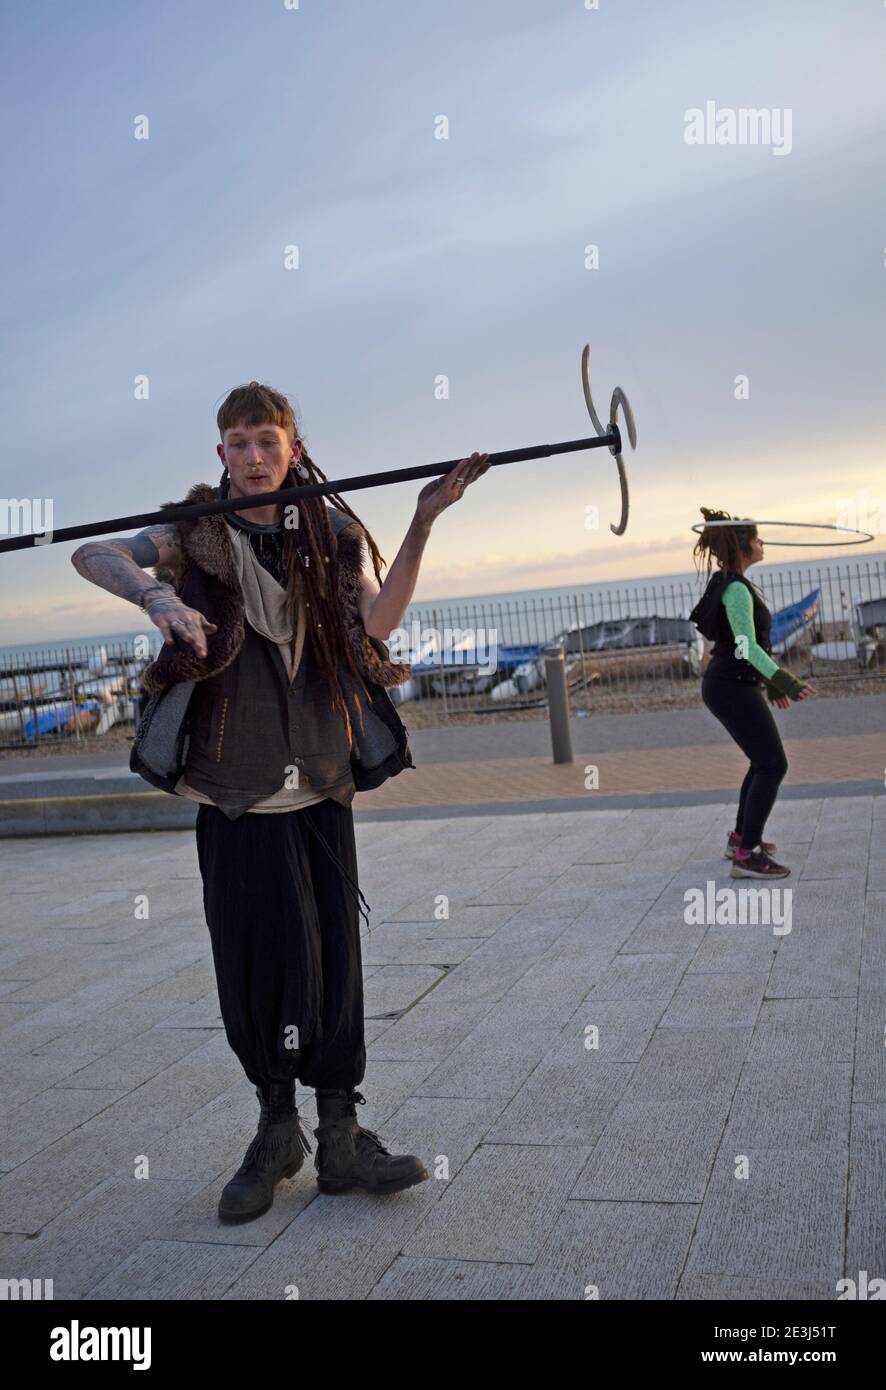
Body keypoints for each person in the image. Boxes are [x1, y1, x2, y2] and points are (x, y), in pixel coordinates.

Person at [71, 380, 490, 1223]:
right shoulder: (192, 534)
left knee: (335, 963)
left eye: (269, 440)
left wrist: (422, 519)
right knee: (256, 961)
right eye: (239, 442)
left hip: (322, 778)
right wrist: (159, 596)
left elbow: (379, 625)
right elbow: (94, 555)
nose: (256, 456)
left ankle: (341, 1138)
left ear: (293, 448)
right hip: (235, 790)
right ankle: (275, 1132)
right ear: (219, 453)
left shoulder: (329, 530)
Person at [689, 508, 816, 880]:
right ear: (745, 547)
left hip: (730, 684)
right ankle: (748, 854)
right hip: (731, 686)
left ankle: (741, 839)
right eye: (758, 539)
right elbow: (746, 647)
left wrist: (770, 683)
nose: (764, 544)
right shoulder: (736, 590)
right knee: (773, 764)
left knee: (761, 762)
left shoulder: (730, 581)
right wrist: (787, 682)